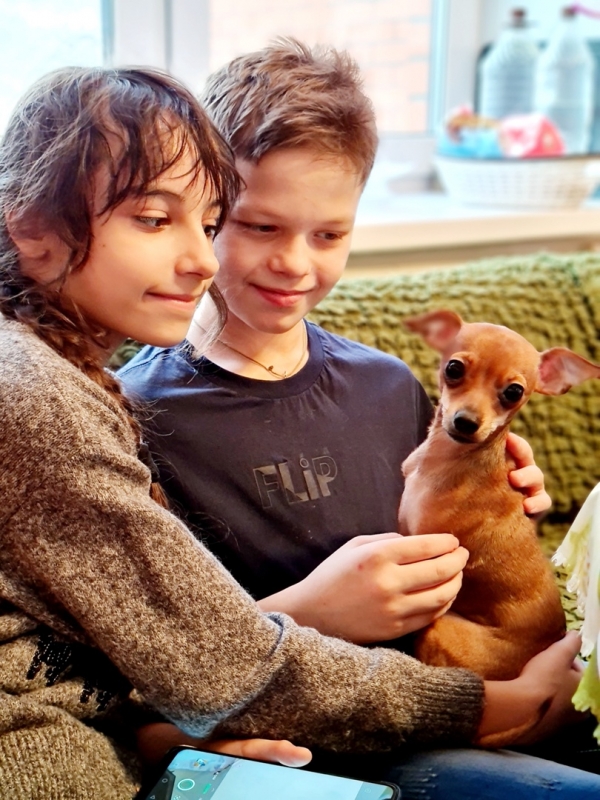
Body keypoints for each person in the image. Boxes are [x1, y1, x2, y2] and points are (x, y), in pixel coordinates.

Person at [0, 64, 587, 800]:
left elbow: (471, 553)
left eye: (330, 233)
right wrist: (309, 611)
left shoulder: (389, 384)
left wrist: (495, 489)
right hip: (297, 737)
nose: (291, 263)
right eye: (255, 225)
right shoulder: (116, 409)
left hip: (425, 692)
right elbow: (171, 657)